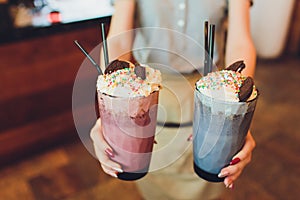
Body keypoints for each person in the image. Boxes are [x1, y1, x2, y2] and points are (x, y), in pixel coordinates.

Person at [91, 0, 256, 199]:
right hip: (144, 100)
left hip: (213, 100)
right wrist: (112, 112)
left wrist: (236, 111)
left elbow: (240, 41)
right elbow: (118, 40)